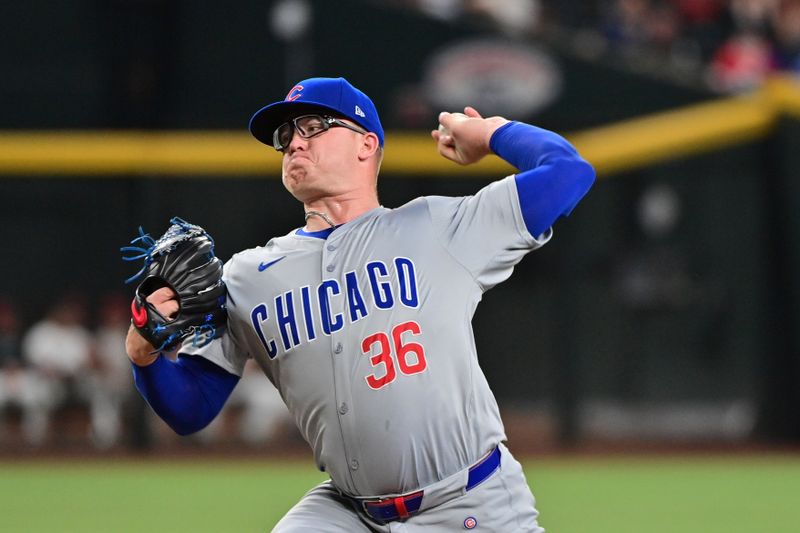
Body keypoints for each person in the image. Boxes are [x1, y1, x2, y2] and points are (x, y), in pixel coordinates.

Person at [125, 76, 594, 531]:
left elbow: (568, 172)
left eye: (312, 127)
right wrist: (142, 348)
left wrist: (491, 133)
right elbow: (191, 409)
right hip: (349, 513)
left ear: (365, 145)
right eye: (286, 135)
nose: (294, 143)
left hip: (469, 504)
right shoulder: (248, 277)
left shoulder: (438, 227)